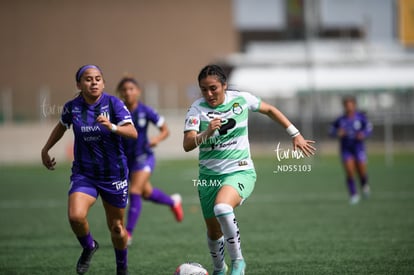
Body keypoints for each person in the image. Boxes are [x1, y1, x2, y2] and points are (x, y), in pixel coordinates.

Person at [183, 64, 316, 275]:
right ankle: (219, 268)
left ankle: (238, 262)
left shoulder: (241, 99)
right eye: (204, 89)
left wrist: (295, 133)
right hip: (208, 178)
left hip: (240, 171)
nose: (209, 94)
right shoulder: (196, 109)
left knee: (222, 209)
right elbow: (188, 144)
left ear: (224, 85)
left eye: (213, 88)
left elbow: (270, 110)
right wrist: (206, 133)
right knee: (213, 230)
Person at [41, 65, 137, 275]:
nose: (94, 82)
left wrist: (111, 126)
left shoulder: (113, 103)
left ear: (103, 82)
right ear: (79, 84)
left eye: (98, 78)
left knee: (117, 228)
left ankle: (122, 268)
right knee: (76, 216)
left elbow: (132, 132)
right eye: (88, 79)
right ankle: (89, 246)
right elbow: (61, 126)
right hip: (85, 174)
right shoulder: (72, 107)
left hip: (114, 174)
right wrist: (46, 149)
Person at [116, 77, 184, 245]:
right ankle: (173, 201)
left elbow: (165, 130)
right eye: (124, 89)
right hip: (127, 160)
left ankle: (128, 234)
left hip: (144, 157)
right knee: (146, 193)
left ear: (138, 91)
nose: (128, 92)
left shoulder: (146, 111)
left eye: (131, 88)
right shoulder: (117, 112)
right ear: (120, 92)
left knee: (135, 191)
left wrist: (157, 139)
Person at [330, 96, 373, 205]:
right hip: (346, 149)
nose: (349, 107)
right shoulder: (341, 120)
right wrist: (337, 133)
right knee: (349, 171)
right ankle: (353, 195)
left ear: (354, 105)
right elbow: (331, 130)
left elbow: (368, 128)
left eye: (351, 105)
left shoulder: (360, 118)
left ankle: (364, 185)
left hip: (358, 147)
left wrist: (363, 134)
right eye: (346, 105)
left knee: (361, 171)